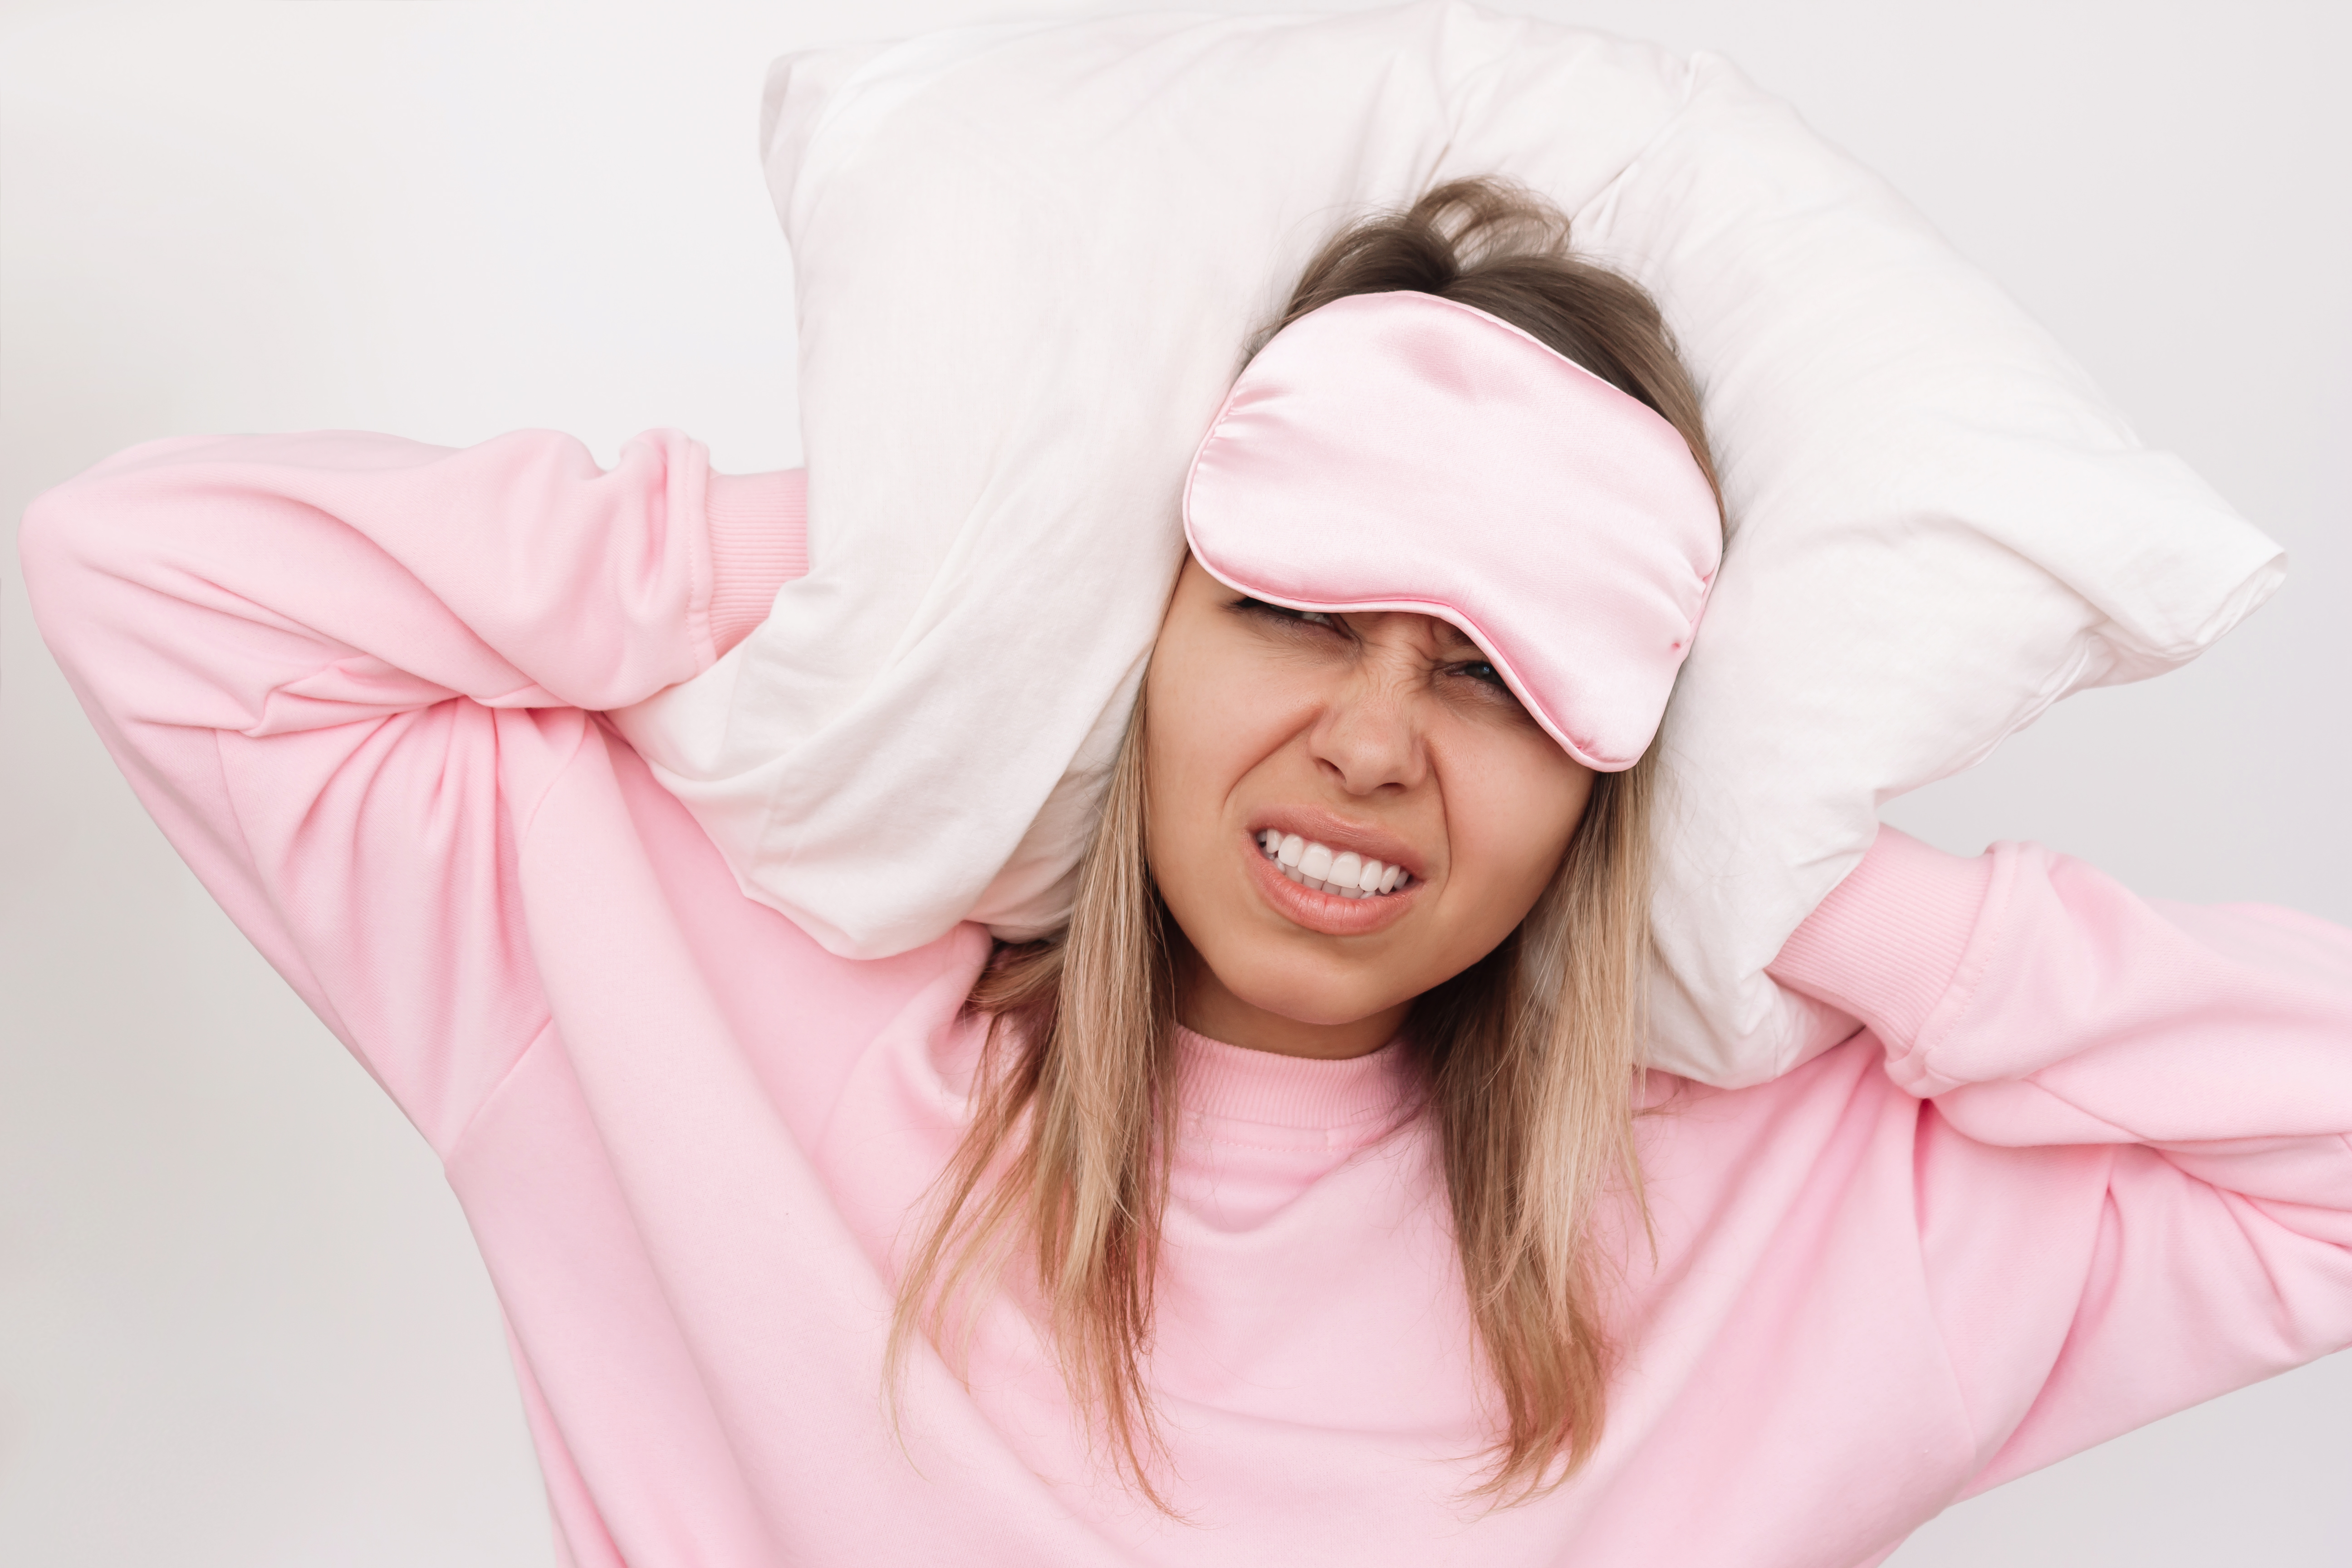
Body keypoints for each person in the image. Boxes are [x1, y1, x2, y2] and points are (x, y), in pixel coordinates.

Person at [20, 180, 2352, 1567]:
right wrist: (968, 550)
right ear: (1145, 608)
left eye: (1501, 680)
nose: (1369, 737)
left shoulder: (1810, 1221)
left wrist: (1784, 866)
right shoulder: (682, 979)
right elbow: (156, 580)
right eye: (1293, 605)